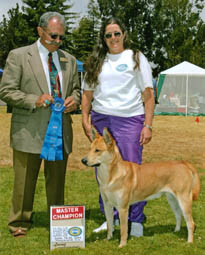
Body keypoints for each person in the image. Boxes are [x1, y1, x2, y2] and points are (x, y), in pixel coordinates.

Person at [0, 12, 81, 237]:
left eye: (61, 38)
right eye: (53, 36)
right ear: (40, 31)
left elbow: (75, 89)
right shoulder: (18, 56)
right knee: (24, 181)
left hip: (60, 130)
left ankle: (58, 221)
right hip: (28, 130)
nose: (57, 41)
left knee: (57, 181)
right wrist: (32, 100)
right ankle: (19, 221)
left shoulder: (70, 60)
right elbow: (6, 91)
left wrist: (74, 100)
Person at [81, 17, 154, 237]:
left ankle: (136, 220)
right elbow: (87, 94)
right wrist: (85, 118)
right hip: (101, 118)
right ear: (103, 39)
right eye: (108, 35)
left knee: (133, 171)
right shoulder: (96, 61)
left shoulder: (136, 57)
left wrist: (147, 125)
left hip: (130, 119)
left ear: (124, 34)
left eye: (116, 33)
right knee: (103, 170)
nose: (113, 38)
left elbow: (149, 94)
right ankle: (109, 218)